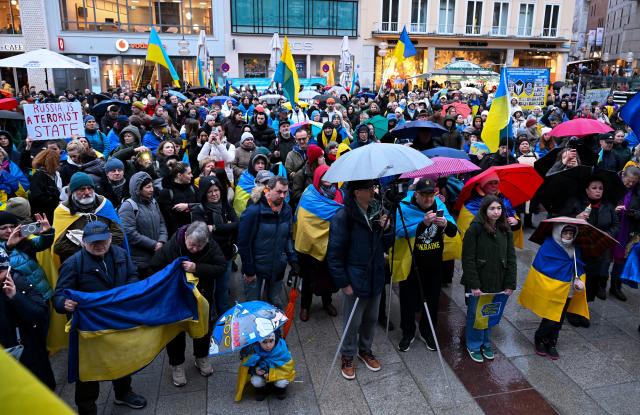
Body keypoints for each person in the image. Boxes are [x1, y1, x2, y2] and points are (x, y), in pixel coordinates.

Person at [53, 221, 146, 414]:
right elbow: (59, 294)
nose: (99, 245)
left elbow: (133, 276)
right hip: (89, 329)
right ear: (83, 242)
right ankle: (86, 408)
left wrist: (129, 291)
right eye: (93, 242)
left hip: (117, 321)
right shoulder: (73, 263)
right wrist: (64, 303)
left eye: (103, 240)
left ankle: (123, 393)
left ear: (110, 239)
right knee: (88, 371)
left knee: (121, 359)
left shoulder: (121, 254)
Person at [327, 180, 393, 380]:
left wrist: (387, 229)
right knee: (352, 321)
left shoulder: (379, 212)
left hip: (376, 275)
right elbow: (334, 254)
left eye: (373, 188)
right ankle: (347, 355)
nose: (373, 192)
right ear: (357, 193)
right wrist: (343, 283)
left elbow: (386, 245)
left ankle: (365, 350)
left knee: (371, 319)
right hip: (355, 278)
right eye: (368, 189)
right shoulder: (344, 217)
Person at [150, 221, 226, 387]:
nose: (194, 249)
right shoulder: (172, 246)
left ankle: (201, 358)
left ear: (206, 241)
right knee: (176, 334)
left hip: (201, 298)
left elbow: (221, 267)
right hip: (176, 300)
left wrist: (197, 267)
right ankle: (177, 365)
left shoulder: (211, 245)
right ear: (185, 236)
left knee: (203, 330)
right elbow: (154, 267)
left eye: (199, 246)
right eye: (191, 245)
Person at [396, 179, 458, 352]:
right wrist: (422, 223)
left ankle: (427, 332)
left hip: (434, 264)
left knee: (432, 300)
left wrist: (445, 223)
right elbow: (399, 231)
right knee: (408, 300)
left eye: (431, 195)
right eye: (424, 195)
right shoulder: (404, 206)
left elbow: (453, 230)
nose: (428, 200)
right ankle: (407, 333)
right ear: (416, 194)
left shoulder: (439, 205)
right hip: (411, 262)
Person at [461, 195, 516, 363]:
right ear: (485, 210)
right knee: (475, 314)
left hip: (498, 279)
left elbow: (511, 257)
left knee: (490, 311)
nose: (496, 212)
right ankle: (473, 344)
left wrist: (510, 283)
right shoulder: (475, 229)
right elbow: (468, 258)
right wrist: (474, 284)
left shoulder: (505, 229)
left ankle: (485, 342)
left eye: (499, 208)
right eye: (492, 208)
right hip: (480, 280)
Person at [519, 224, 586, 360]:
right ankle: (540, 338)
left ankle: (552, 341)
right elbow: (542, 266)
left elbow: (578, 265)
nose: (568, 236)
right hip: (552, 289)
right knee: (550, 317)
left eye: (571, 234)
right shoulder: (549, 246)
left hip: (568, 289)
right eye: (565, 233)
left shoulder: (575, 248)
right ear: (558, 232)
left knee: (560, 318)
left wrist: (578, 279)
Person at [561, 178, 619, 325]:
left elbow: (615, 224)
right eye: (594, 188)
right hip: (580, 247)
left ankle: (583, 309)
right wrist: (577, 218)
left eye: (600, 188)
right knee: (578, 278)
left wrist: (607, 234)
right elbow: (563, 221)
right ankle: (571, 310)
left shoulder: (608, 205)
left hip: (600, 248)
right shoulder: (577, 203)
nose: (598, 191)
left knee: (593, 280)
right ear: (587, 190)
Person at [237, 176, 298, 309]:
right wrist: (249, 270)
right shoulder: (254, 211)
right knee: (253, 307)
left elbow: (287, 236)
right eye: (279, 191)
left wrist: (293, 259)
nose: (282, 196)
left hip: (277, 267)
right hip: (256, 269)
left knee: (273, 304)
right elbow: (243, 243)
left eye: (285, 192)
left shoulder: (287, 210)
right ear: (268, 190)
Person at [0, 246, 55, 390]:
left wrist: (15, 297)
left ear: (8, 269)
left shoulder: (20, 281)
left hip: (30, 358)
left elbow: (40, 315)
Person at [295, 164, 342, 322]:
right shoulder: (309, 194)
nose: (327, 179)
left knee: (327, 276)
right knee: (308, 278)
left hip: (330, 245)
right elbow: (302, 219)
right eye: (324, 176)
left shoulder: (339, 196)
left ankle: (327, 302)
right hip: (309, 246)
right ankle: (305, 307)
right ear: (317, 178)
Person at [190, 176, 238, 316]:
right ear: (204, 193)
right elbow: (203, 235)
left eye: (216, 190)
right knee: (208, 289)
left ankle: (223, 317)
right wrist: (226, 227)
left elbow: (236, 225)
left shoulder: (225, 205)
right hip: (208, 258)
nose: (214, 194)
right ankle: (209, 316)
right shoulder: (199, 210)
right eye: (210, 191)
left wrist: (216, 228)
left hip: (226, 254)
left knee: (223, 289)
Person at [52, 172, 125, 264]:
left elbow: (118, 234)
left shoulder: (104, 205)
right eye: (82, 189)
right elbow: (59, 246)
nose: (87, 192)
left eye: (90, 188)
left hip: (108, 258)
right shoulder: (62, 211)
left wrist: (102, 248)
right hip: (79, 263)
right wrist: (89, 250)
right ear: (73, 192)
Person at [118, 172, 168, 279]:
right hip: (139, 261)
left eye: (152, 186)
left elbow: (162, 223)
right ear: (138, 189)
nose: (152, 189)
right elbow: (130, 233)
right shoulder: (128, 206)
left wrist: (162, 241)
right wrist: (154, 245)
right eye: (147, 187)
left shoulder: (153, 202)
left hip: (157, 256)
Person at [237, 331, 295, 401]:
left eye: (271, 341)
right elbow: (247, 368)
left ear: (275, 339)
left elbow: (288, 367)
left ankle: (279, 389)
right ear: (259, 342)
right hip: (262, 376)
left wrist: (271, 373)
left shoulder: (282, 349)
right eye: (264, 342)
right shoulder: (252, 350)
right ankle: (261, 390)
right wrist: (255, 369)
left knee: (282, 382)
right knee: (256, 381)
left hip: (278, 375)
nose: (268, 345)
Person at [610, 166, 640, 301]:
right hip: (612, 226)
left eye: (634, 182)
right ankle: (599, 284)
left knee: (621, 258)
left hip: (628, 229)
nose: (630, 184)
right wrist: (613, 209)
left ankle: (616, 286)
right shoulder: (613, 186)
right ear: (623, 176)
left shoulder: (637, 193)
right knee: (605, 257)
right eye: (628, 181)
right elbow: (605, 203)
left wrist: (635, 214)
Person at [158, 161, 199, 236]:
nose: (192, 176)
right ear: (179, 175)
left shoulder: (193, 188)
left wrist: (188, 206)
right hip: (178, 236)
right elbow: (168, 219)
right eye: (189, 173)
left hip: (196, 231)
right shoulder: (166, 193)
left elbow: (203, 205)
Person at [28, 149, 62, 221]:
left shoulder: (55, 175)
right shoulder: (39, 175)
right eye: (57, 162)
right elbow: (37, 196)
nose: (58, 164)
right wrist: (55, 203)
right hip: (43, 216)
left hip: (53, 213)